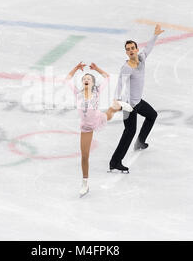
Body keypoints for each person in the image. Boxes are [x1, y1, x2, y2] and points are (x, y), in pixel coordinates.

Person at [66, 62, 132, 197]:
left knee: (108, 115)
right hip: (86, 126)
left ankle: (118, 106)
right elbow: (67, 79)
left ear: (92, 83)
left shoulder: (96, 91)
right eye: (84, 79)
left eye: (89, 79)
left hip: (96, 118)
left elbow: (107, 77)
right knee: (84, 156)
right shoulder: (77, 93)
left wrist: (96, 69)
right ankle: (85, 183)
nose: (86, 80)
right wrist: (75, 69)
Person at [109, 24, 165, 173]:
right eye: (128, 49)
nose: (131, 51)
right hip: (129, 105)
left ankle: (140, 142)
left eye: (132, 48)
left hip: (138, 102)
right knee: (129, 131)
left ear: (136, 49)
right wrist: (116, 101)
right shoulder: (127, 67)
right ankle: (115, 162)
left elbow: (149, 48)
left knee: (152, 115)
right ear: (126, 53)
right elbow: (120, 84)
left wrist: (155, 35)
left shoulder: (141, 58)